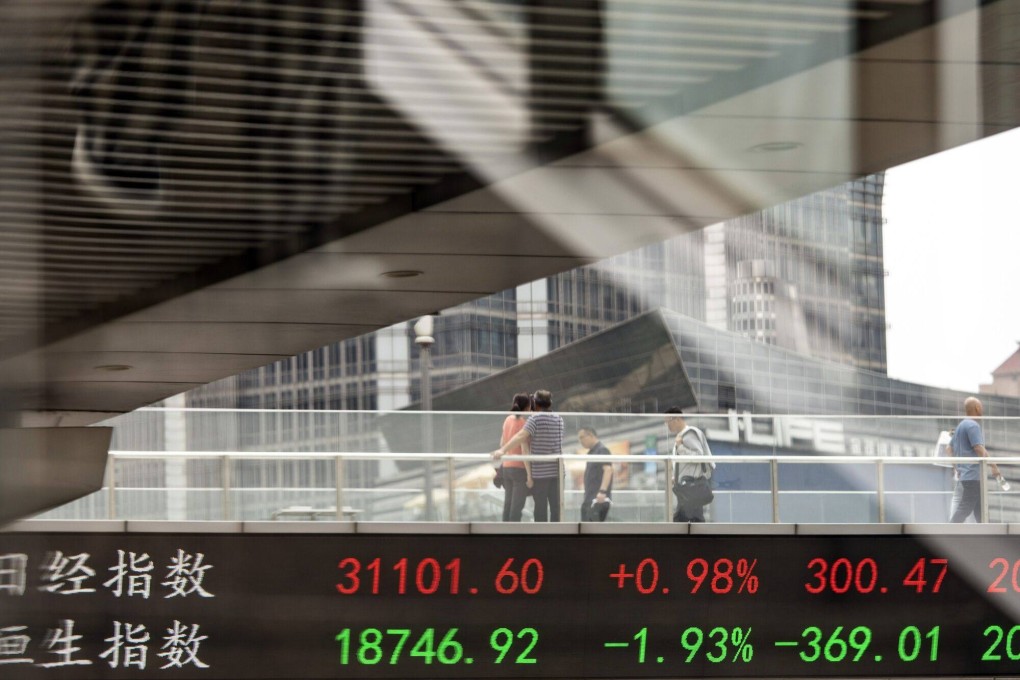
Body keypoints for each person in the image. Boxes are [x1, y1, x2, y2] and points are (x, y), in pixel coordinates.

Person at [493, 390, 563, 521]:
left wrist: (503, 450)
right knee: (555, 507)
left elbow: (513, 439)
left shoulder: (525, 419)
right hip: (555, 470)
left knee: (534, 506)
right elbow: (527, 448)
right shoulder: (559, 419)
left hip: (534, 471)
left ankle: (533, 535)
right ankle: (555, 536)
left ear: (535, 403)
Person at [948, 397, 1001, 523]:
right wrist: (994, 466)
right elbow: (979, 448)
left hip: (966, 476)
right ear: (977, 408)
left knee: (981, 512)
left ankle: (987, 537)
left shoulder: (961, 425)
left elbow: (948, 449)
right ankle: (949, 531)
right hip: (973, 477)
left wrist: (957, 467)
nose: (982, 408)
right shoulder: (973, 425)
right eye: (981, 406)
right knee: (965, 508)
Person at [665, 406, 715, 522]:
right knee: (693, 519)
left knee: (683, 520)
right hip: (686, 487)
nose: (667, 425)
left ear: (677, 419)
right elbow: (685, 464)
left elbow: (698, 456)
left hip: (690, 486)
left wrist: (680, 447)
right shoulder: (681, 436)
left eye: (668, 421)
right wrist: (675, 477)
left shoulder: (689, 434)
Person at [499, 393, 532, 522]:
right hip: (519, 469)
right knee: (517, 506)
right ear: (527, 407)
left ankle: (504, 533)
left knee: (508, 504)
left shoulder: (507, 419)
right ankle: (513, 535)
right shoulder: (523, 423)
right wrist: (529, 475)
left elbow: (502, 443)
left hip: (507, 467)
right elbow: (524, 450)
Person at [578, 427, 613, 521]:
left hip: (597, 499)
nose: (580, 441)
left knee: (591, 530)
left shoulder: (602, 450)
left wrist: (602, 492)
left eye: (582, 437)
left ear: (591, 435)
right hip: (590, 497)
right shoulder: (591, 453)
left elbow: (608, 470)